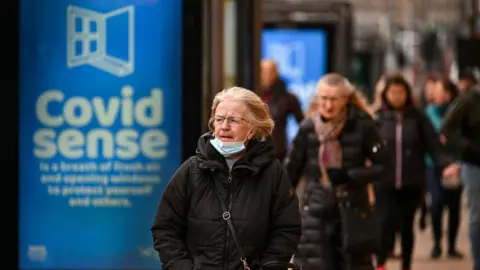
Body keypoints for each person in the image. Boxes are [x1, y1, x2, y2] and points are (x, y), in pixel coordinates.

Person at [151, 86, 302, 270]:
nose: (224, 127)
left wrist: (270, 266)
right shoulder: (191, 170)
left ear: (253, 130)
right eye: (219, 119)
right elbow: (165, 228)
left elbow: (286, 228)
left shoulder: (271, 172)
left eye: (234, 120)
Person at [284, 73, 390, 270]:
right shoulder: (308, 128)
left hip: (353, 210)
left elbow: (383, 166)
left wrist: (351, 175)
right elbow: (290, 173)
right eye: (323, 98)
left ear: (345, 99)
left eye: (334, 99)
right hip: (315, 210)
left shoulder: (362, 124)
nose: (328, 105)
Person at [374, 74, 456, 270]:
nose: (396, 96)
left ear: (407, 94)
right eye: (392, 92)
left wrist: (446, 164)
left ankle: (406, 264)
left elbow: (433, 144)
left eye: (400, 92)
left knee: (406, 226)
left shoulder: (417, 117)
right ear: (385, 94)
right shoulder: (378, 118)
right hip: (384, 182)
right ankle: (381, 264)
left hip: (412, 181)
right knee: (385, 223)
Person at [441, 84, 480, 270]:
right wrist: (469, 148)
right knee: (477, 216)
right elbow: (447, 129)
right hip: (474, 165)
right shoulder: (469, 99)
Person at [424, 78, 463, 259]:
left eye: (442, 91)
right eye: (436, 90)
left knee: (454, 206)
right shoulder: (428, 112)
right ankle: (437, 243)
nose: (438, 94)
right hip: (433, 165)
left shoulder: (458, 110)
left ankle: (452, 245)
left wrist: (456, 162)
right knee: (437, 203)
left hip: (454, 165)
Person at [261, 59, 304, 161]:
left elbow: (302, 123)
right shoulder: (254, 95)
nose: (266, 75)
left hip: (278, 151)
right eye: (262, 71)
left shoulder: (288, 98)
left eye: (269, 72)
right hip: (256, 150)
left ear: (276, 73)